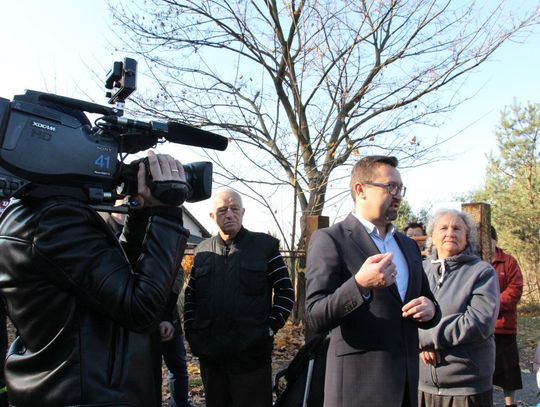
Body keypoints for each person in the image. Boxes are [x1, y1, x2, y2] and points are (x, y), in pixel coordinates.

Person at [0, 151, 190, 407]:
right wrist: (167, 212)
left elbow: (119, 277)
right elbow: (140, 306)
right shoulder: (55, 220)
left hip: (74, 388)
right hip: (86, 394)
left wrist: (141, 214)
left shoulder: (34, 213)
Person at [305, 155, 440, 407]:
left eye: (400, 188)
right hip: (357, 389)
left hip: (407, 387)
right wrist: (359, 284)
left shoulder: (408, 246)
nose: (398, 194)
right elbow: (315, 316)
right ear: (361, 190)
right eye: (390, 186)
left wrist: (431, 310)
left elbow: (427, 301)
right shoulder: (330, 240)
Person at [184, 188, 294, 407]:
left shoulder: (265, 247)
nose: (229, 214)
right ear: (212, 216)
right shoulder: (203, 251)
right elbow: (191, 296)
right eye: (222, 210)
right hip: (211, 356)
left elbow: (285, 292)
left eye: (234, 209)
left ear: (243, 212)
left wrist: (269, 328)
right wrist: (191, 331)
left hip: (251, 356)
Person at [418, 209, 500, 407]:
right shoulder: (420, 270)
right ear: (432, 236)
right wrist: (418, 343)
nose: (450, 233)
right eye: (443, 228)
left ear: (467, 237)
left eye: (457, 229)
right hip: (422, 384)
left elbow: (478, 322)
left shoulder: (481, 272)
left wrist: (428, 338)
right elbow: (404, 313)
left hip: (466, 386)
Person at [490, 225, 524, 407]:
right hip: (481, 328)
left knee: (508, 372)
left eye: (490, 238)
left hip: (504, 327)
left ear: (495, 239)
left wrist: (491, 305)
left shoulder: (509, 261)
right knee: (484, 372)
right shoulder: (475, 260)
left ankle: (510, 404)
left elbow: (515, 289)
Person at [160, 269, 191, 407]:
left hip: (171, 319)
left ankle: (180, 404)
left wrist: (166, 314)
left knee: (178, 368)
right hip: (144, 320)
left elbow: (178, 275)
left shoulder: (169, 253)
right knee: (149, 370)